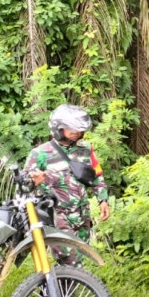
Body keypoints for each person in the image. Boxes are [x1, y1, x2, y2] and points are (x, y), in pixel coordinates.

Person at [25, 104, 110, 266]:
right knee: (70, 262)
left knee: (79, 259)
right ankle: (64, 289)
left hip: (82, 214)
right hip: (58, 217)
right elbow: (23, 186)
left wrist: (103, 199)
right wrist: (32, 182)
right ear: (58, 128)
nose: (75, 132)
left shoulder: (85, 149)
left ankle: (53, 290)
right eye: (70, 128)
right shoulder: (40, 154)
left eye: (78, 129)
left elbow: (96, 176)